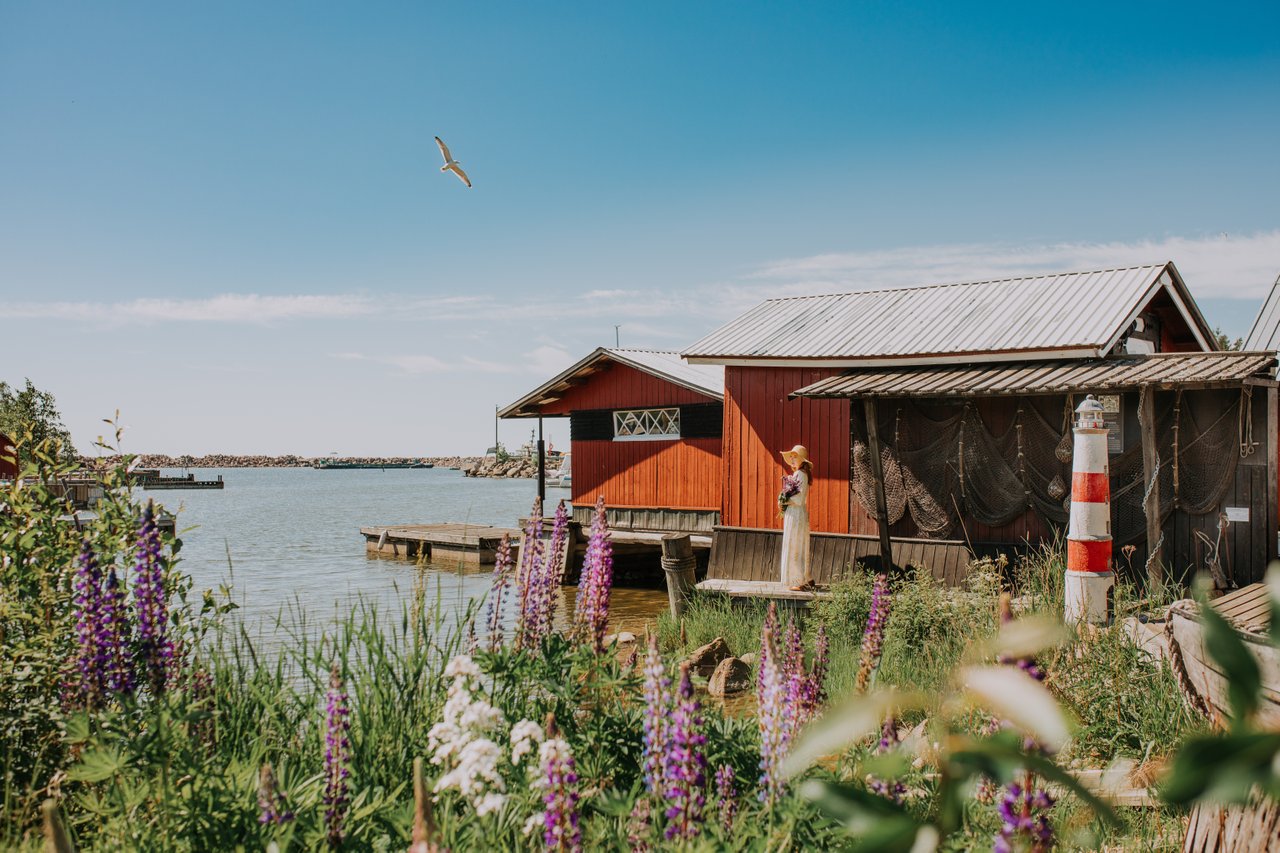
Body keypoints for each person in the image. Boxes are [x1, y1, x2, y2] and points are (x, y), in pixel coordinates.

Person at [779, 444, 814, 591]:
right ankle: (806, 578)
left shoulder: (800, 475)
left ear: (802, 460)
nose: (792, 460)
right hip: (795, 513)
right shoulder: (799, 475)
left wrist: (783, 500)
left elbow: (798, 499)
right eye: (791, 457)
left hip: (796, 513)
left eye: (795, 457)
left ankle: (799, 580)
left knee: (795, 544)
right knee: (798, 543)